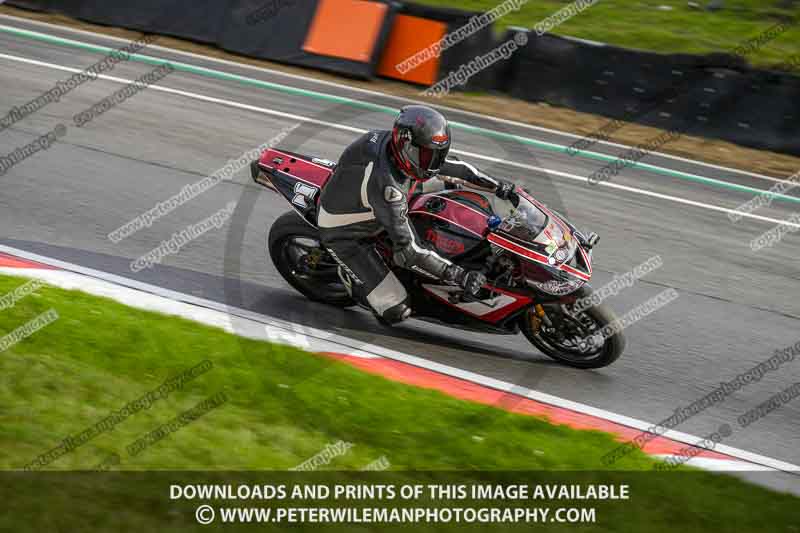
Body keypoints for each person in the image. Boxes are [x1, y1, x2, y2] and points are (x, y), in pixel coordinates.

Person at [318, 105, 518, 324]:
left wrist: (498, 186)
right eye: (425, 155)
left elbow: (457, 168)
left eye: (437, 155)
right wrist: (459, 275)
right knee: (396, 310)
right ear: (405, 144)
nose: (432, 163)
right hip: (346, 234)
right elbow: (409, 252)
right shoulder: (388, 188)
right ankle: (352, 278)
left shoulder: (394, 147)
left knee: (452, 186)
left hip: (372, 200)